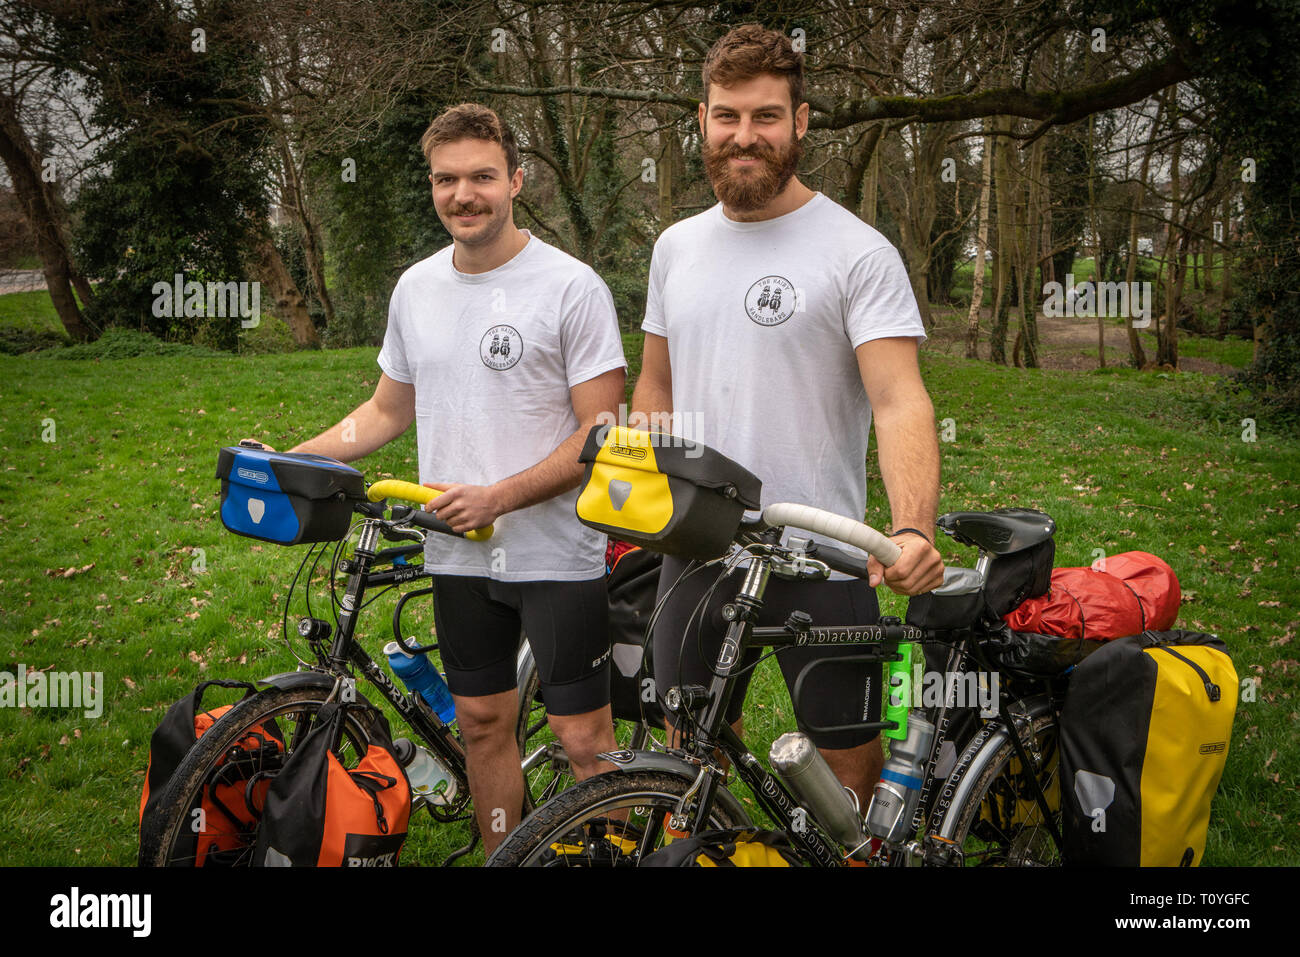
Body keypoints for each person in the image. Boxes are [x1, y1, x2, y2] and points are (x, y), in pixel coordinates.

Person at [257, 103, 627, 853]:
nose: (465, 193)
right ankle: (504, 854)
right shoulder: (416, 289)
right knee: (484, 723)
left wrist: (500, 495)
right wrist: (291, 459)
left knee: (583, 737)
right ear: (432, 186)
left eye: (483, 177)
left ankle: (609, 854)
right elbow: (386, 411)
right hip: (458, 552)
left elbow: (600, 432)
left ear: (516, 181)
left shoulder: (571, 285)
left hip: (556, 552)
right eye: (447, 179)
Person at [629, 25, 946, 808]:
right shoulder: (675, 247)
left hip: (823, 554)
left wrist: (912, 527)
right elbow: (655, 384)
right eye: (728, 116)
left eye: (766, 116)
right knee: (689, 758)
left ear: (801, 123)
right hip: (697, 548)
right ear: (701, 121)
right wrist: (643, 473)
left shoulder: (855, 251)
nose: (746, 135)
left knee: (847, 776)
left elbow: (900, 397)